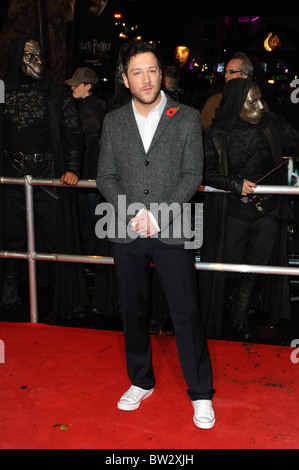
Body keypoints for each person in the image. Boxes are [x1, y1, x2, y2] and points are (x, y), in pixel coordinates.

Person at [96, 40, 215, 429]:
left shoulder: (185, 116)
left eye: (152, 70)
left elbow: (192, 175)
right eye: (137, 72)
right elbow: (105, 177)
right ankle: (140, 381)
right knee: (132, 310)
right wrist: (134, 214)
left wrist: (159, 216)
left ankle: (200, 393)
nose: (146, 79)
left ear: (160, 73)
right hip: (128, 229)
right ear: (124, 79)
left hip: (172, 229)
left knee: (186, 311)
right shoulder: (113, 121)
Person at [200, 78, 299, 340]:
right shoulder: (216, 133)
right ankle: (232, 304)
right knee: (231, 265)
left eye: (260, 99)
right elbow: (203, 172)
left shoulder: (272, 124)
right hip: (232, 210)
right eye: (251, 102)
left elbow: (295, 143)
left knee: (257, 264)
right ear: (236, 104)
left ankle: (239, 313)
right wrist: (233, 183)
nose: (260, 107)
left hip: (268, 211)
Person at [0, 35, 89, 321]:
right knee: (11, 237)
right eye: (29, 57)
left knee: (54, 235)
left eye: (39, 56)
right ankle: (8, 293)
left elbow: (74, 133)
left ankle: (63, 301)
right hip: (11, 173)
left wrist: (73, 168)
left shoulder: (56, 93)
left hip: (47, 173)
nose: (37, 62)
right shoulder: (2, 90)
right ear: (16, 59)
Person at [65, 67, 106, 258]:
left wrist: (82, 173)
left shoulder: (89, 107)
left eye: (77, 84)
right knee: (91, 221)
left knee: (88, 222)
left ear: (88, 86)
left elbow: (91, 143)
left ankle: (92, 264)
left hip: (89, 176)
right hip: (93, 175)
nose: (72, 87)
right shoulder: (95, 105)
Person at [200, 52, 254, 131]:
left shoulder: (258, 105)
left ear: (244, 76)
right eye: (225, 72)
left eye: (231, 72)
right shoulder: (212, 102)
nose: (225, 76)